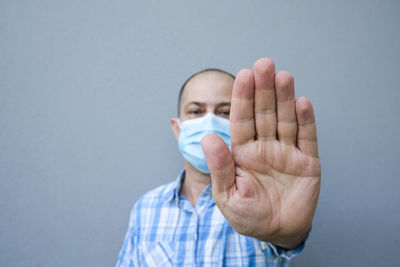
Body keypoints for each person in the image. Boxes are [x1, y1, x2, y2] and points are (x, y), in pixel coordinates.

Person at [116, 58, 321, 266]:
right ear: (177, 128)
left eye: (225, 112)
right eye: (196, 111)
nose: (210, 121)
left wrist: (286, 235)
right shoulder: (146, 208)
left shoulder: (262, 199)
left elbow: (284, 237)